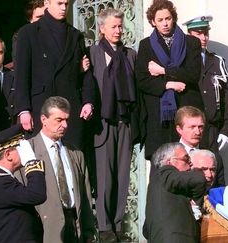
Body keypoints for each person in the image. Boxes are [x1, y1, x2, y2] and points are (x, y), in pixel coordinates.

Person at [85, 8, 137, 243]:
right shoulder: (93, 53)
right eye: (113, 26)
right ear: (102, 28)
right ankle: (104, 226)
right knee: (105, 176)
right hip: (103, 123)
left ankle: (118, 224)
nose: (118, 30)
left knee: (123, 176)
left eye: (120, 26)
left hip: (124, 121)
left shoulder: (129, 55)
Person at [15, 96, 96, 242]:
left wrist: (89, 231)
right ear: (43, 120)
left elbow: (85, 196)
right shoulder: (28, 150)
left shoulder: (76, 153)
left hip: (74, 226)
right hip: (44, 229)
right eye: (59, 120)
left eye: (66, 120)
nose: (64, 125)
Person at [15, 0, 92, 149]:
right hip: (41, 107)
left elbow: (86, 75)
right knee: (42, 158)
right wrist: (23, 110)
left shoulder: (76, 35)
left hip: (70, 107)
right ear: (47, 3)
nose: (64, 8)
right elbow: (22, 76)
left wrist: (88, 101)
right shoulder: (28, 33)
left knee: (71, 158)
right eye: (59, 3)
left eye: (67, 4)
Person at [136, 0, 203, 160]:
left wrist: (163, 70)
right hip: (160, 115)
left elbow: (193, 74)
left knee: (189, 162)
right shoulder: (146, 45)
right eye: (160, 20)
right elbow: (143, 80)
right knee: (162, 164)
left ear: (174, 18)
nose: (165, 23)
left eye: (168, 18)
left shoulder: (191, 42)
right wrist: (169, 84)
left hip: (187, 110)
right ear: (153, 22)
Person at [0, 124, 46, 243]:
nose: (25, 153)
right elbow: (37, 195)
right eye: (21, 149)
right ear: (8, 154)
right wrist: (31, 163)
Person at [183, 15, 228, 153]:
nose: (204, 38)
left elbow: (225, 99)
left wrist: (225, 131)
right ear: (189, 35)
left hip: (211, 127)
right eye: (198, 34)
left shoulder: (217, 62)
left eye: (206, 33)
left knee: (214, 170)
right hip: (189, 128)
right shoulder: (182, 61)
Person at [143, 142, 207, 243]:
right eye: (186, 159)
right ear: (169, 162)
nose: (190, 163)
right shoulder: (165, 172)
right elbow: (199, 179)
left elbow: (146, 230)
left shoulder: (161, 186)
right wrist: (195, 203)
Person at [174, 105, 224, 186]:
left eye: (200, 127)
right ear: (179, 129)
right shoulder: (169, 156)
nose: (197, 132)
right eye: (192, 127)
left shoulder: (215, 157)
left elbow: (220, 191)